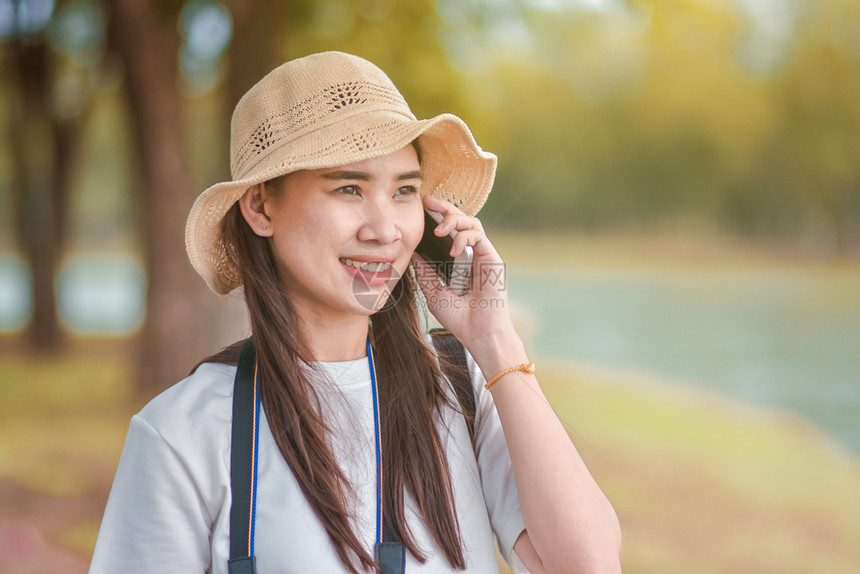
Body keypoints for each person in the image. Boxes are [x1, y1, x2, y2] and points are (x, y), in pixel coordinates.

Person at [89, 51, 621, 574]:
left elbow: (589, 565)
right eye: (349, 188)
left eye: (405, 191)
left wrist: (496, 340)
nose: (385, 229)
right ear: (260, 207)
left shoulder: (462, 391)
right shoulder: (183, 431)